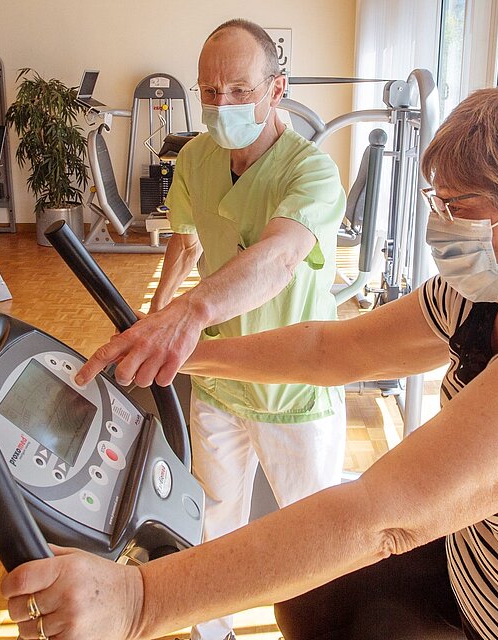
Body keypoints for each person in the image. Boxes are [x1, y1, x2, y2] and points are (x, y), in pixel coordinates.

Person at [4, 81, 498, 640]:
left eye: (462, 206)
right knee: (310, 600)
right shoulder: (482, 294)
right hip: (492, 578)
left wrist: (138, 602)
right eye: (438, 202)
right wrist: (187, 356)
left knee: (347, 563)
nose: (442, 225)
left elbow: (384, 519)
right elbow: (331, 348)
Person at [74, 18, 348, 640]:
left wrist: (189, 314)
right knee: (211, 515)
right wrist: (156, 310)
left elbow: (280, 257)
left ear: (277, 88)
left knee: (313, 534)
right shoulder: (196, 157)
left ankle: (324, 628)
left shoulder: (310, 172)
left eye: (239, 91)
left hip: (292, 380)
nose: (221, 106)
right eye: (209, 91)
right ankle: (212, 631)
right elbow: (185, 241)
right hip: (222, 377)